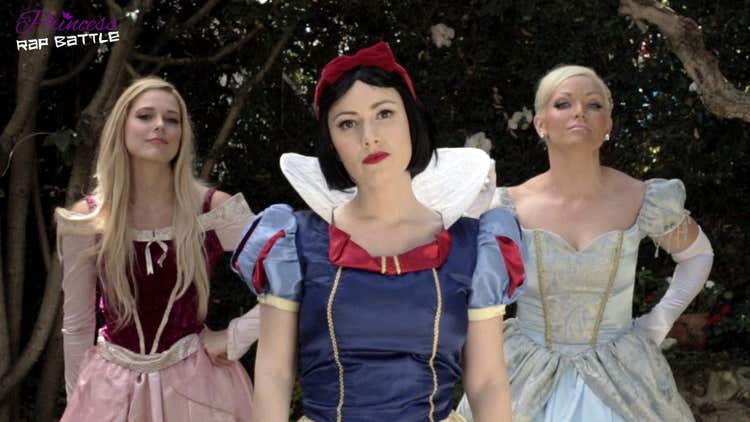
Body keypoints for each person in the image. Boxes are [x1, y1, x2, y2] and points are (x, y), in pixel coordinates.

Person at [230, 41, 525, 422]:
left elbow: (486, 382)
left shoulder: (474, 248)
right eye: (347, 123)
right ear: (332, 144)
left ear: (411, 122)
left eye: (384, 113)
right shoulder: (294, 242)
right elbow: (274, 374)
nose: (369, 136)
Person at [457, 65, 714, 421]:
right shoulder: (505, 207)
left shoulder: (640, 197)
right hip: (523, 374)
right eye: (563, 103)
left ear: (608, 125)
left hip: (624, 376)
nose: (580, 112)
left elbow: (698, 254)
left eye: (593, 104)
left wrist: (659, 321)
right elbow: (466, 283)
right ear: (541, 124)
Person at [55, 76, 260, 421]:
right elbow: (77, 326)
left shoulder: (213, 210)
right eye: (145, 116)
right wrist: (81, 404)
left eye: (172, 119)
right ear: (122, 127)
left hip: (198, 393)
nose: (160, 125)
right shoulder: (89, 218)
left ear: (182, 135)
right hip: (111, 394)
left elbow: (291, 277)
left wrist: (236, 335)